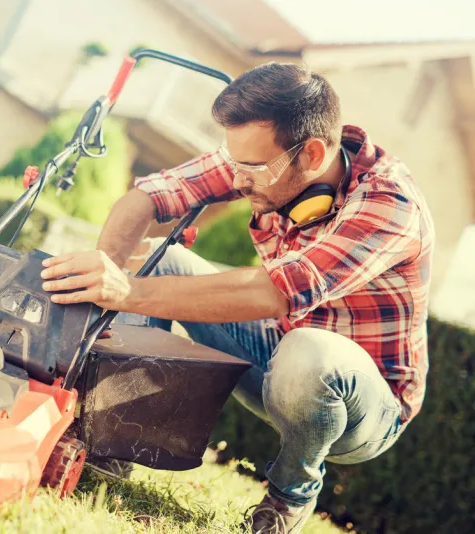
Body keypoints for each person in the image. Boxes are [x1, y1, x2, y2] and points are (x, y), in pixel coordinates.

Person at [39, 62, 435, 533]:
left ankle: (289, 496)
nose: (238, 179)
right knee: (158, 262)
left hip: (364, 407)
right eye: (235, 163)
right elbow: (149, 195)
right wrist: (101, 278)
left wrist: (127, 291)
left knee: (309, 352)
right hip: (276, 351)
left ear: (311, 155)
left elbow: (278, 291)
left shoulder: (390, 205)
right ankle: (116, 445)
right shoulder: (265, 157)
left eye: (251, 169)